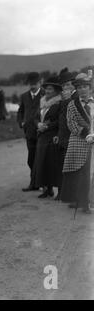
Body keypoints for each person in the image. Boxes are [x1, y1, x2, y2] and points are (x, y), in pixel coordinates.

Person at [61, 73, 94, 213]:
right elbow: (71, 123)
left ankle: (89, 201)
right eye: (79, 87)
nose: (82, 90)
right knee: (80, 172)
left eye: (85, 86)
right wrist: (86, 134)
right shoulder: (72, 105)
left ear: (90, 88)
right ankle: (81, 201)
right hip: (79, 140)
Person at [32, 77, 62, 198]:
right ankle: (47, 189)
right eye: (46, 89)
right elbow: (35, 117)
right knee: (42, 163)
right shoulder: (42, 102)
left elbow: (60, 120)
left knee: (53, 163)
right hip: (42, 137)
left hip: (52, 136)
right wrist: (38, 124)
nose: (48, 91)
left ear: (56, 91)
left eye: (50, 89)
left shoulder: (59, 103)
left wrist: (47, 126)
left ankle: (60, 191)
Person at [17, 72, 45, 192]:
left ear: (40, 83)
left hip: (42, 131)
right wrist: (21, 122)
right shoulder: (24, 96)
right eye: (31, 84)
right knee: (31, 159)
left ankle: (43, 184)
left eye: (35, 84)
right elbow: (20, 111)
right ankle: (34, 183)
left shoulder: (45, 94)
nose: (33, 86)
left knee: (42, 158)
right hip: (29, 132)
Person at [55, 68, 77, 200]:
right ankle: (63, 192)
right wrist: (58, 134)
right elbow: (61, 119)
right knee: (62, 164)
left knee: (72, 165)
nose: (66, 87)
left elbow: (76, 115)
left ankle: (71, 194)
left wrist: (68, 100)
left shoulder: (76, 97)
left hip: (72, 137)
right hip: (63, 136)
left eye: (68, 84)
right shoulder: (65, 98)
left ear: (73, 84)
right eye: (63, 85)